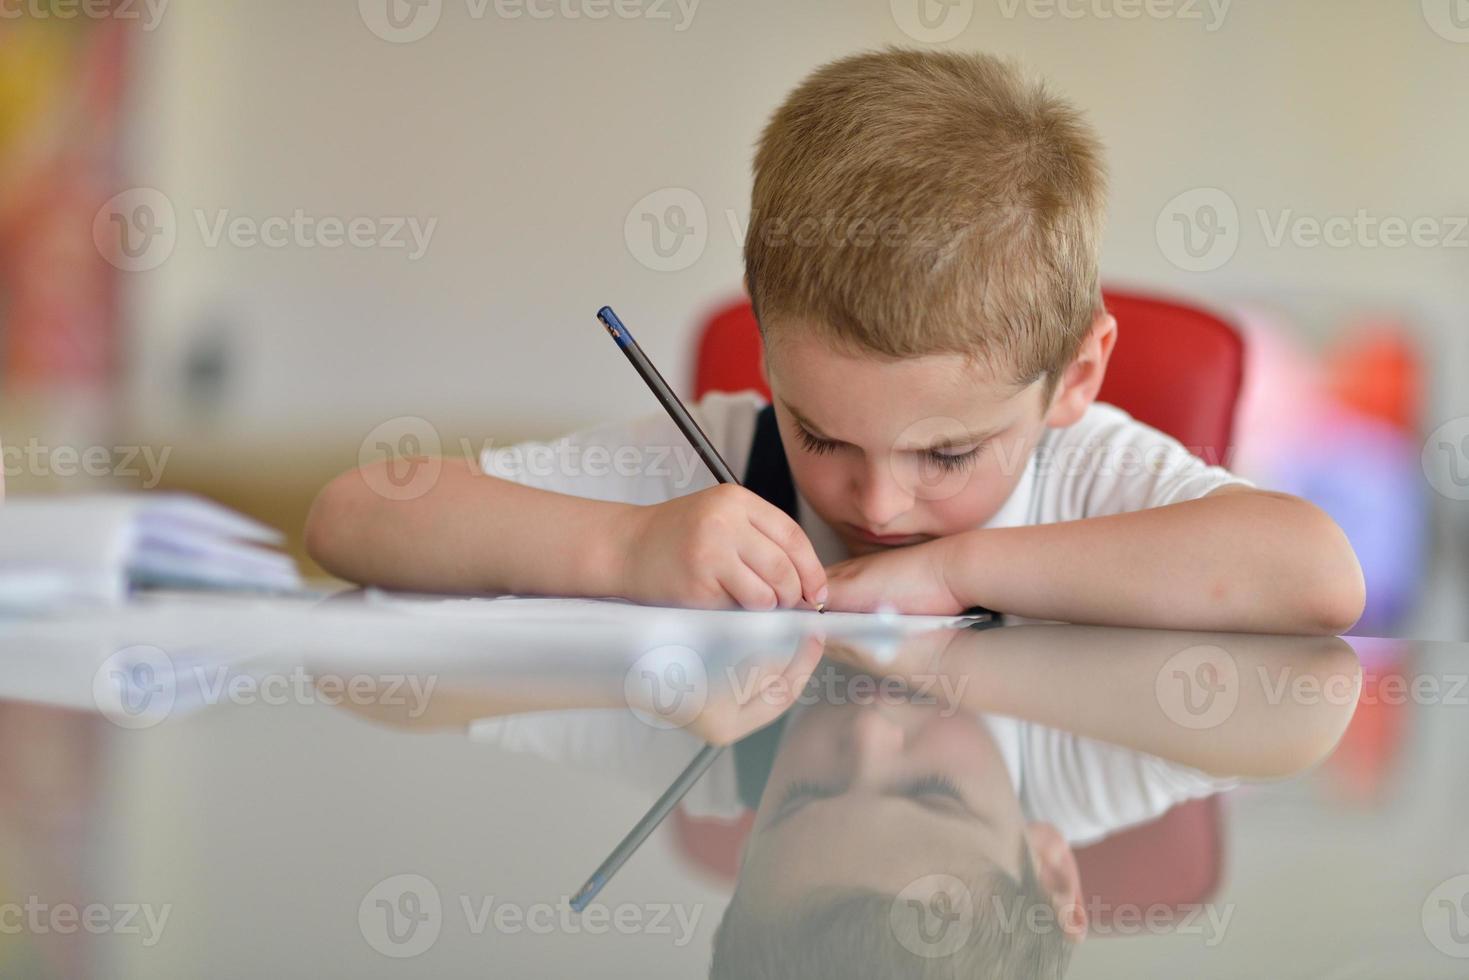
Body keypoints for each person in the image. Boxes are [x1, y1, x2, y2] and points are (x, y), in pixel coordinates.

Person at [304, 48, 1364, 635]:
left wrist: (961, 570)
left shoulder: (1083, 472)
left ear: (1073, 376)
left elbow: (1316, 574)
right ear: (766, 351)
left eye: (946, 453)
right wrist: (626, 548)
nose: (876, 505)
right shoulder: (717, 468)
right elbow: (355, 515)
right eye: (821, 437)